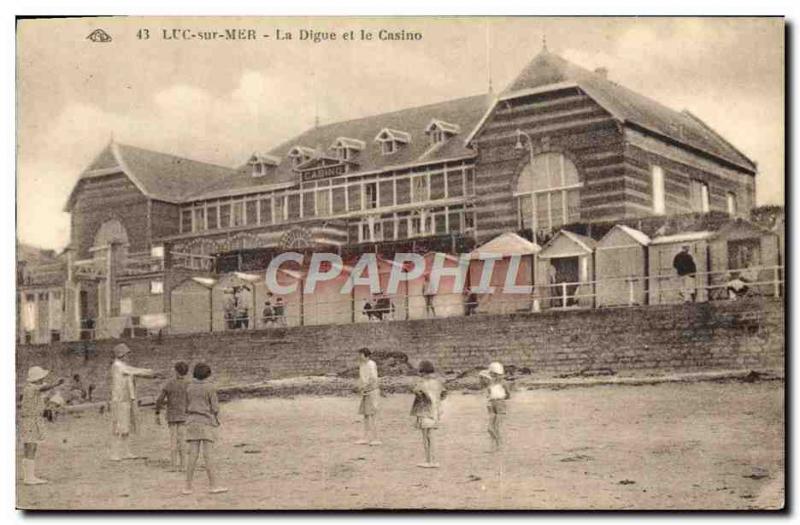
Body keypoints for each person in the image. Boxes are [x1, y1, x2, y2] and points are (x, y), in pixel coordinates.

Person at [109, 343, 160, 461]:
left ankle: (126, 452)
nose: (128, 356)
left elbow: (135, 374)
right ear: (121, 355)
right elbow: (135, 371)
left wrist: (152, 375)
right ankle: (114, 453)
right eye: (127, 354)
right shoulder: (118, 365)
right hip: (120, 400)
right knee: (119, 426)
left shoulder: (123, 366)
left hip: (127, 399)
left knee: (127, 426)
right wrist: (151, 372)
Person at [183, 362, 227, 495]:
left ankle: (188, 487)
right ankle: (213, 486)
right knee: (208, 456)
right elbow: (215, 408)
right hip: (206, 422)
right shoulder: (210, 388)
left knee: (192, 455)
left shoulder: (189, 387)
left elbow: (186, 406)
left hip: (191, 421)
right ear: (207, 375)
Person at [20, 366, 63, 485]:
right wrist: (56, 384)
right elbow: (44, 388)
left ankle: (28, 475)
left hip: (32, 419)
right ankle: (29, 477)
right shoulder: (32, 388)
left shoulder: (32, 388)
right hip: (30, 420)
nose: (44, 379)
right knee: (31, 446)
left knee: (31, 447)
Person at [410, 360, 446, 468]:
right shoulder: (438, 382)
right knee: (431, 436)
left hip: (425, 412)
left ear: (423, 372)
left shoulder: (422, 383)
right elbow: (444, 394)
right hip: (435, 411)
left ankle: (429, 460)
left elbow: (415, 390)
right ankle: (433, 460)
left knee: (426, 437)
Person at [155, 361, 190, 471]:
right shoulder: (189, 383)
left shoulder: (169, 383)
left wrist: (157, 412)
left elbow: (160, 399)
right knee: (182, 440)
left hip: (172, 415)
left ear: (175, 371)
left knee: (173, 440)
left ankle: (173, 465)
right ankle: (184, 465)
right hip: (184, 415)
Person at [480, 362, 511, 453]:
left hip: (500, 404)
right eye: (494, 374)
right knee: (490, 428)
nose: (496, 376)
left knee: (496, 427)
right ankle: (496, 444)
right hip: (491, 404)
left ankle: (497, 446)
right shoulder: (490, 384)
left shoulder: (503, 383)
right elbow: (488, 394)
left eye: (497, 375)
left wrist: (500, 399)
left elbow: (508, 395)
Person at [355, 348, 381, 445]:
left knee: (373, 415)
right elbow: (362, 379)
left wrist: (366, 388)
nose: (359, 356)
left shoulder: (371, 364)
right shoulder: (362, 365)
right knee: (365, 415)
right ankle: (365, 437)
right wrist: (361, 388)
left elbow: (373, 378)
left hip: (372, 391)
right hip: (366, 392)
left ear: (365, 355)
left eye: (361, 354)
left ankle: (376, 438)